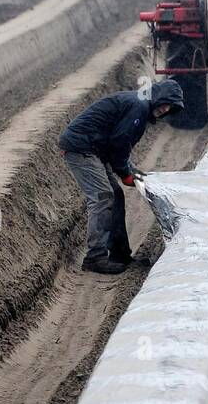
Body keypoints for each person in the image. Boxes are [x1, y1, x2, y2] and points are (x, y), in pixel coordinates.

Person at [59, 79, 185, 275]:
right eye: (166, 103)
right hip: (81, 148)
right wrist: (126, 173)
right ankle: (95, 257)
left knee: (115, 195)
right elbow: (119, 143)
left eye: (170, 107)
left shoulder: (140, 106)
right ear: (158, 96)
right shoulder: (139, 107)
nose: (165, 109)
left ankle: (119, 254)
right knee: (102, 197)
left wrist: (131, 171)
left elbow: (118, 144)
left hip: (94, 148)